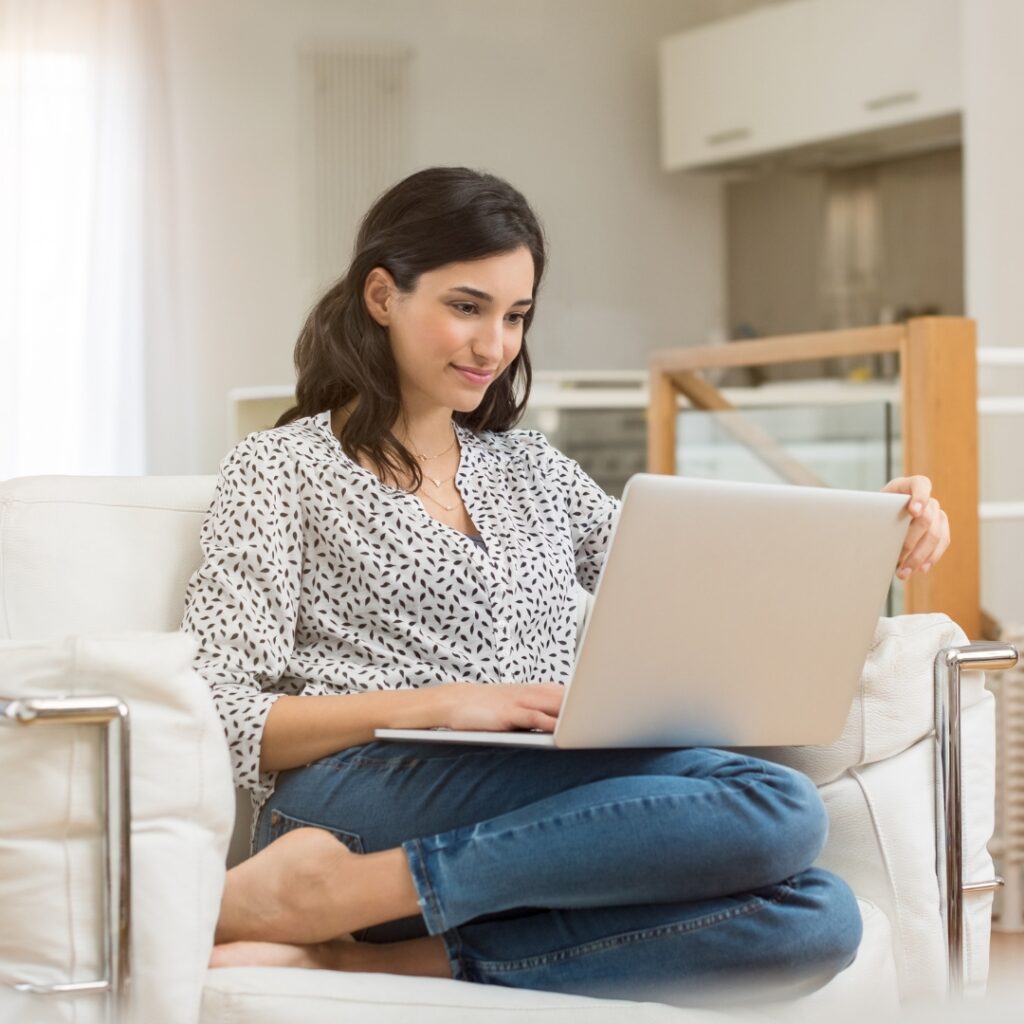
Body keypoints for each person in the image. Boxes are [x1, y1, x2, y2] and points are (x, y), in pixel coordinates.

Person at [181, 166, 951, 1006]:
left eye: (516, 317)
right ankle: (337, 884)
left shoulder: (531, 468)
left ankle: (354, 944)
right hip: (361, 794)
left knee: (817, 918)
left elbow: (701, 575)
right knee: (778, 806)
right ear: (380, 295)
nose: (493, 346)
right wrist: (436, 704)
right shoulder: (280, 467)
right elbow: (218, 711)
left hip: (546, 786)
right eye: (466, 306)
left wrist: (872, 531)